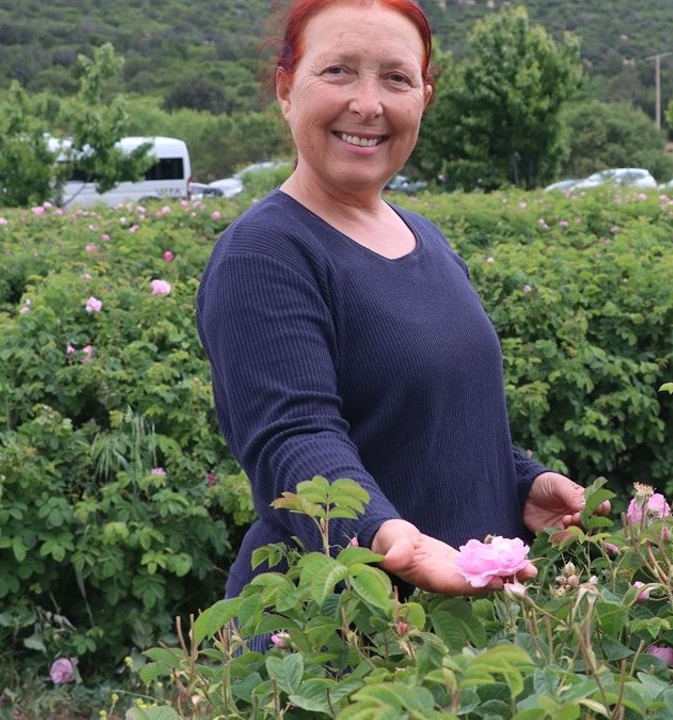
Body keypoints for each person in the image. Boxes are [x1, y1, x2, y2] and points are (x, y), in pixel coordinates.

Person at [196, 0, 608, 605]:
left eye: (396, 78)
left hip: (450, 626)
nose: (369, 103)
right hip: (332, 633)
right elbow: (294, 436)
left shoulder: (424, 236)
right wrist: (394, 543)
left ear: (424, 97)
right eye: (337, 71)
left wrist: (521, 481)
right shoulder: (265, 252)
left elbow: (429, 417)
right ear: (287, 89)